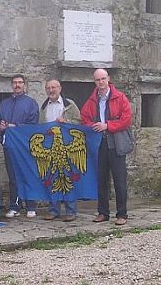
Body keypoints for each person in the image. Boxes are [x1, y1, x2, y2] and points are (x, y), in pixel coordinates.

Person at [81, 69, 132, 226]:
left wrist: (107, 125)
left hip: (116, 144)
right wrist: (94, 126)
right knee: (101, 180)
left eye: (103, 78)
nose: (101, 82)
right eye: (97, 80)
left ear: (108, 79)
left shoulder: (120, 97)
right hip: (99, 145)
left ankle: (122, 214)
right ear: (94, 82)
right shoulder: (91, 100)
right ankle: (103, 212)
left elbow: (126, 119)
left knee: (119, 181)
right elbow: (84, 118)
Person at [0, 74, 39, 218]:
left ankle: (31, 205)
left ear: (24, 85)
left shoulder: (31, 103)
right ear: (12, 85)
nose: (17, 85)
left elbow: (33, 125)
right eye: (14, 83)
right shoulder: (4, 104)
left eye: (20, 82)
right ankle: (15, 206)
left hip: (25, 146)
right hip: (9, 146)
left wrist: (15, 126)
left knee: (27, 174)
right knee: (13, 176)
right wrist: (1, 127)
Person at [39, 79, 81, 222]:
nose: (51, 90)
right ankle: (53, 210)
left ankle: (71, 210)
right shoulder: (43, 108)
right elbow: (39, 128)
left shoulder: (70, 105)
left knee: (68, 179)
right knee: (52, 180)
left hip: (66, 149)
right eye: (48, 88)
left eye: (54, 87)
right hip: (51, 149)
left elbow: (79, 123)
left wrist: (67, 123)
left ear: (60, 88)